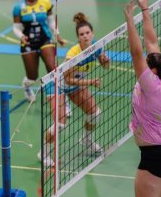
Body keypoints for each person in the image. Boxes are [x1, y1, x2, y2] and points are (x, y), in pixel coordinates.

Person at [124, 0, 161, 197]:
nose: (143, 68)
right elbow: (151, 41)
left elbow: (137, 52)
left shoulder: (151, 85)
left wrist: (130, 20)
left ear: (153, 71)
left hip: (155, 156)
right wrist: (145, 7)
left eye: (147, 67)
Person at [37, 12, 110, 166]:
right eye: (81, 34)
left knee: (95, 114)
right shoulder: (73, 55)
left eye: (87, 33)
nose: (85, 36)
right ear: (78, 37)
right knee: (60, 124)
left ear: (92, 33)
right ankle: (43, 152)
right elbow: (68, 80)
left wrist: (105, 61)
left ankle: (86, 140)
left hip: (75, 85)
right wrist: (90, 82)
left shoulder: (96, 47)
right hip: (57, 85)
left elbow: (105, 66)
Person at [12, 0, 65, 102]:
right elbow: (16, 28)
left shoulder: (45, 2)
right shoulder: (19, 7)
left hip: (45, 39)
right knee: (32, 77)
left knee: (52, 68)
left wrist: (57, 34)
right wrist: (21, 37)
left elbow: (51, 21)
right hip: (28, 42)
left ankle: (62, 100)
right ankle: (27, 87)